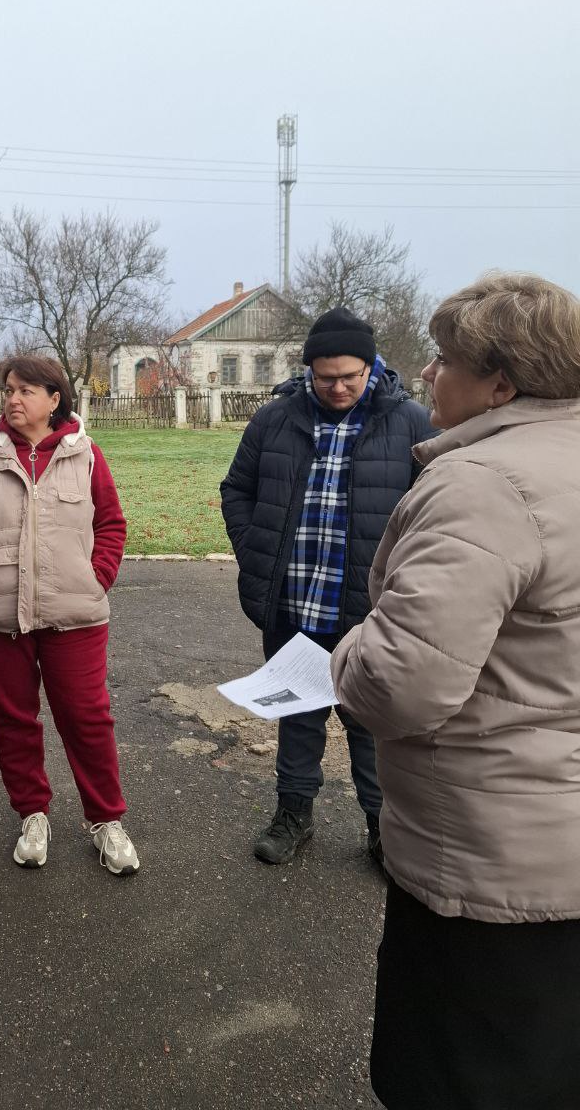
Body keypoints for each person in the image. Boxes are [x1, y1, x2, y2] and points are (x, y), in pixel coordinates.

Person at [332, 273, 580, 1110]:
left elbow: (401, 686)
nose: (428, 375)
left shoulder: (483, 485)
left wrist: (349, 650)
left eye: (444, 359)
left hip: (485, 858)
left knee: (461, 1074)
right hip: (563, 844)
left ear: (502, 382)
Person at [220, 307, 434, 865]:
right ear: (308, 369)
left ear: (371, 367)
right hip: (293, 604)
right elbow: (236, 489)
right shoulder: (274, 420)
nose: (338, 387)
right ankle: (294, 815)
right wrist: (255, 553)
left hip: (369, 611)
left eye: (350, 376)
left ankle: (382, 828)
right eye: (325, 376)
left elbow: (438, 514)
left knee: (369, 726)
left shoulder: (411, 423)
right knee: (298, 715)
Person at [0, 355, 139, 875]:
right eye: (9, 389)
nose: (12, 398)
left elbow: (112, 524)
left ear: (55, 400)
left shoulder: (87, 456)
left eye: (27, 390)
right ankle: (32, 814)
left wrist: (97, 576)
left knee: (86, 717)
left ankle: (106, 820)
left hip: (74, 610)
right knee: (12, 719)